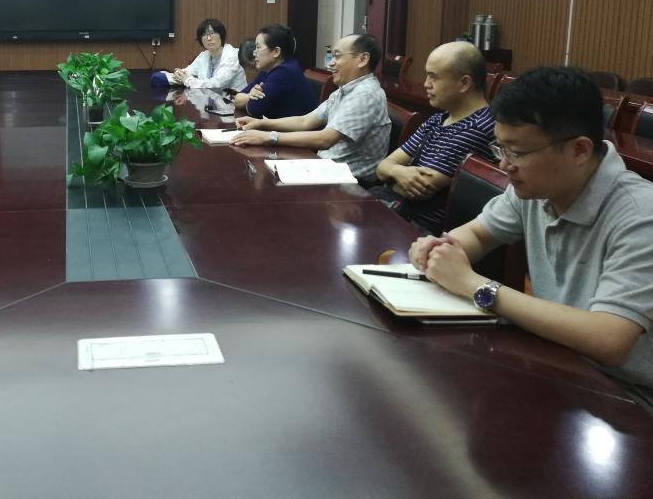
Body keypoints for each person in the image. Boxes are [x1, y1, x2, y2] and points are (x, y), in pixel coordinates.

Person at [410, 67, 653, 406]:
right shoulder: (536, 186)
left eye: (517, 153)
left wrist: (476, 286)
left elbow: (609, 339)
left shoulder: (641, 214)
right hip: (558, 361)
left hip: (626, 398)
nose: (504, 165)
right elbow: (479, 233)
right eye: (501, 148)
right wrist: (439, 250)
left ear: (579, 150)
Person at [233, 33, 390, 180]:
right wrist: (261, 124)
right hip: (325, 168)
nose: (331, 63)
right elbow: (305, 121)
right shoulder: (346, 90)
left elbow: (325, 139)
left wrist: (267, 137)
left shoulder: (365, 94)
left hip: (349, 182)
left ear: (362, 59)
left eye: (337, 56)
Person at [374, 41, 495, 232]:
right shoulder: (439, 118)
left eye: (433, 77)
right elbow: (382, 167)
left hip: (422, 228)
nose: (426, 84)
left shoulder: (478, 128)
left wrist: (393, 173)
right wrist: (397, 172)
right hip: (399, 212)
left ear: (464, 83)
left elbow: (418, 191)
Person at [229, 24, 318, 118]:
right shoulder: (267, 69)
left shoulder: (284, 72)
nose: (254, 53)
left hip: (300, 127)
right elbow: (236, 98)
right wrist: (249, 96)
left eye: (258, 47)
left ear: (276, 52)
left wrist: (248, 100)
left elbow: (254, 109)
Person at [156, 19, 247, 90]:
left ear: (221, 35)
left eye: (212, 33)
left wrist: (187, 80)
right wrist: (178, 74)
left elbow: (217, 84)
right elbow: (188, 72)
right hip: (210, 103)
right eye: (204, 35)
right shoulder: (204, 56)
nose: (209, 38)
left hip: (232, 104)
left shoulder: (233, 55)